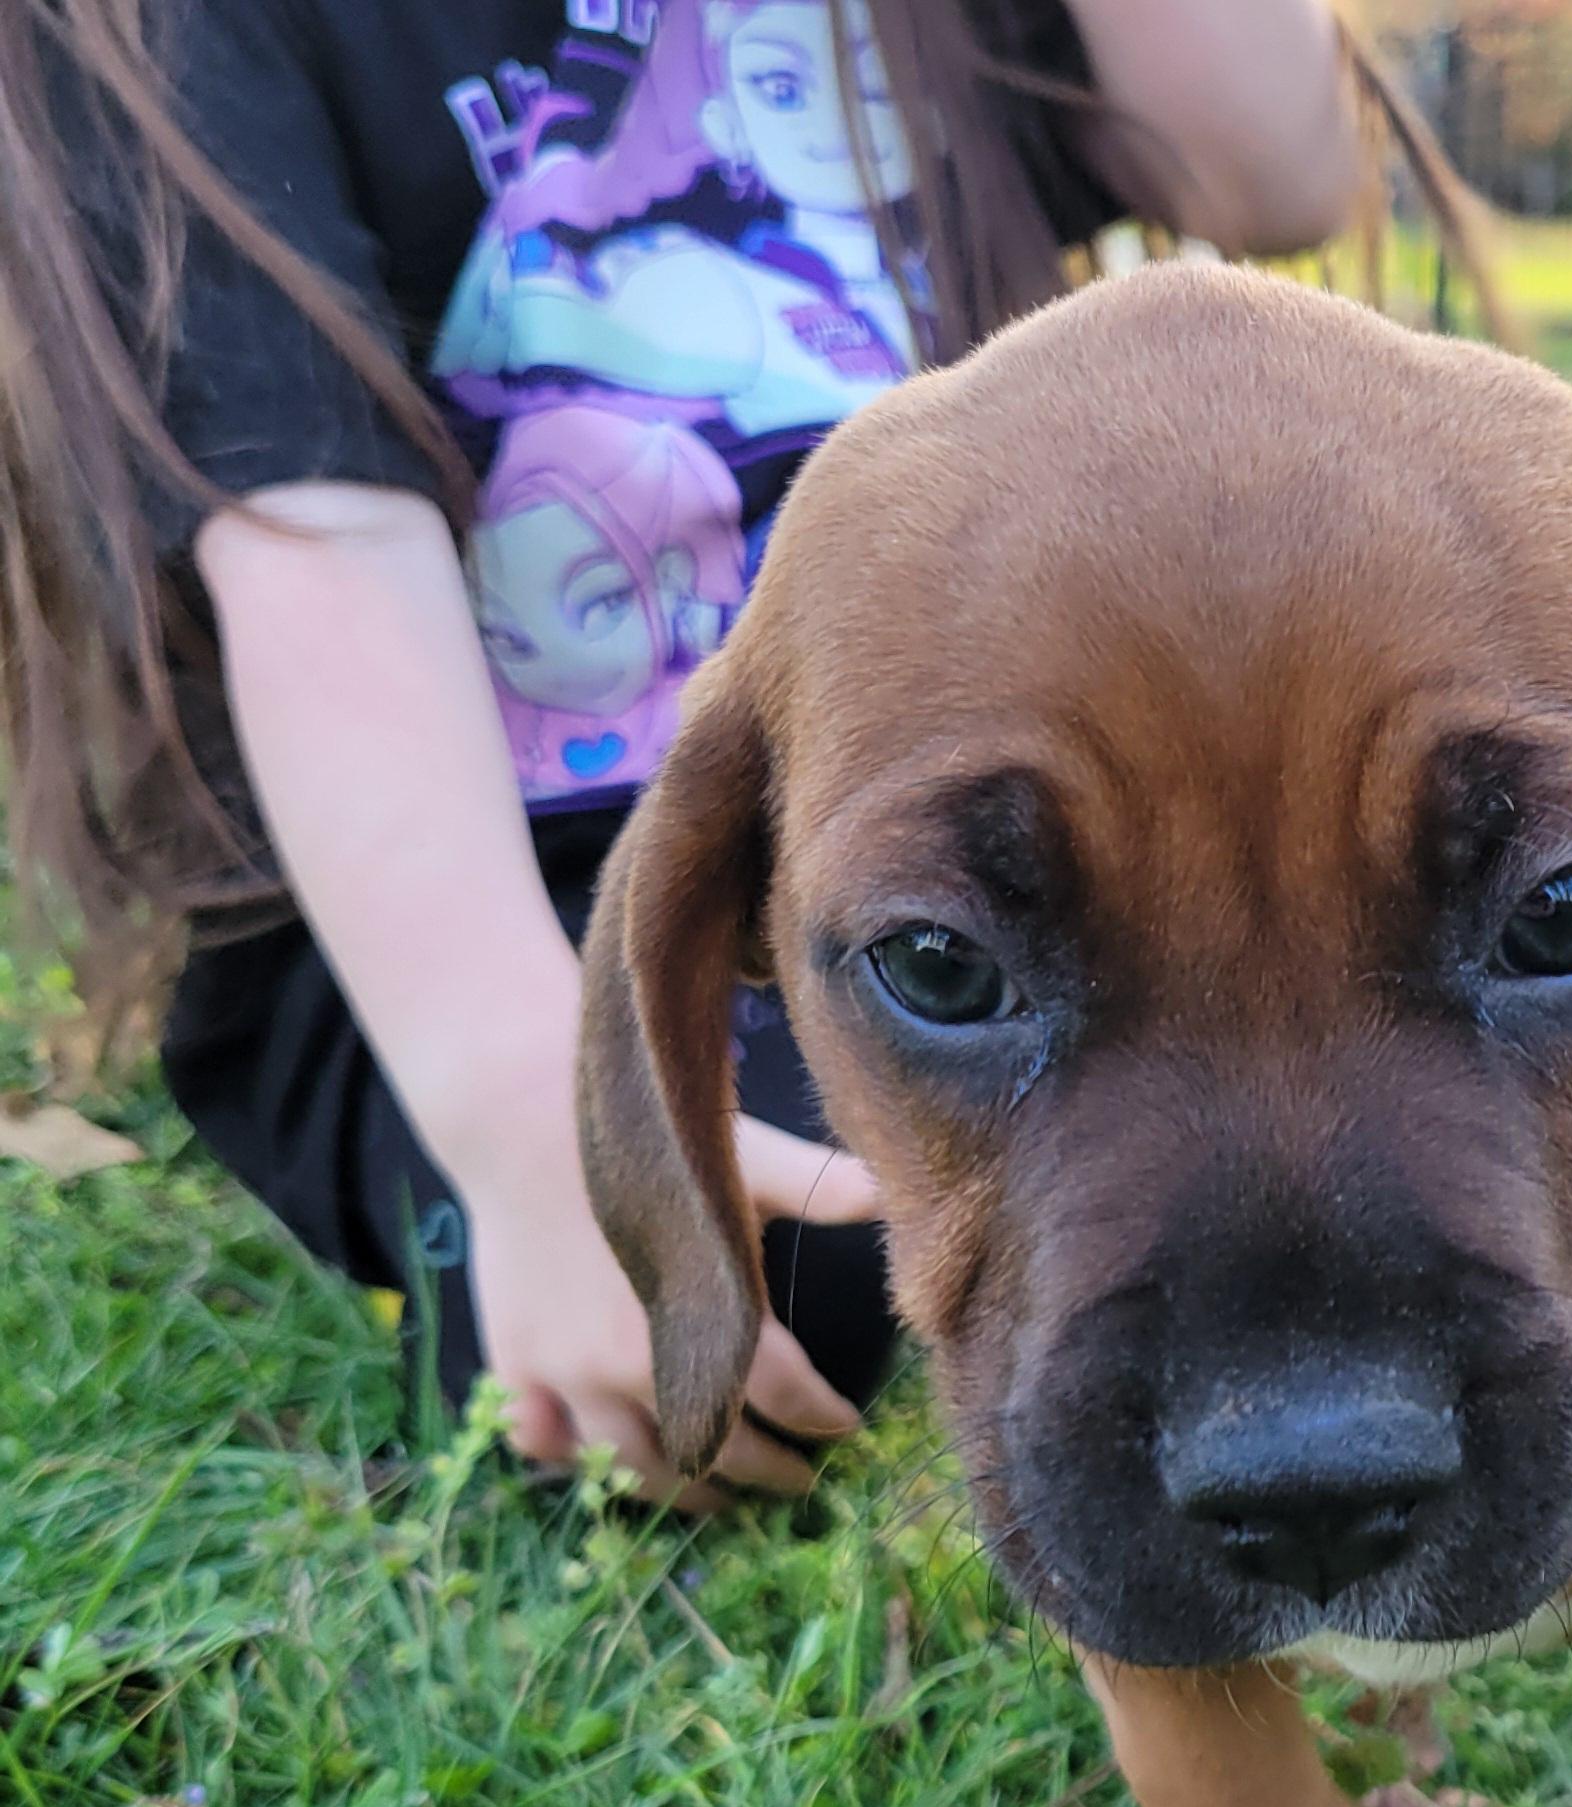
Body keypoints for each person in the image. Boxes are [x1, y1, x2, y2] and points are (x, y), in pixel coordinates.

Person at [5, 0, 1365, 1505]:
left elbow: (1271, 173)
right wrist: (539, 1129)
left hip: (934, 827)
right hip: (482, 883)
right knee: (769, 1261)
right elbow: (313, 546)